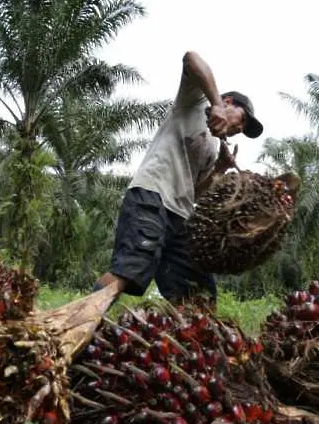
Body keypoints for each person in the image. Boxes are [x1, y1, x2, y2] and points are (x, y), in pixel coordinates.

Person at [93, 50, 264, 305]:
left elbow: (196, 193)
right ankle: (76, 326)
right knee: (129, 271)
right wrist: (214, 103)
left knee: (198, 292)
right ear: (228, 102)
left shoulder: (214, 147)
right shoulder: (195, 102)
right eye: (243, 120)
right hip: (151, 196)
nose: (240, 129)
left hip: (181, 216)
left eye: (244, 130)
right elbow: (191, 58)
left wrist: (219, 167)